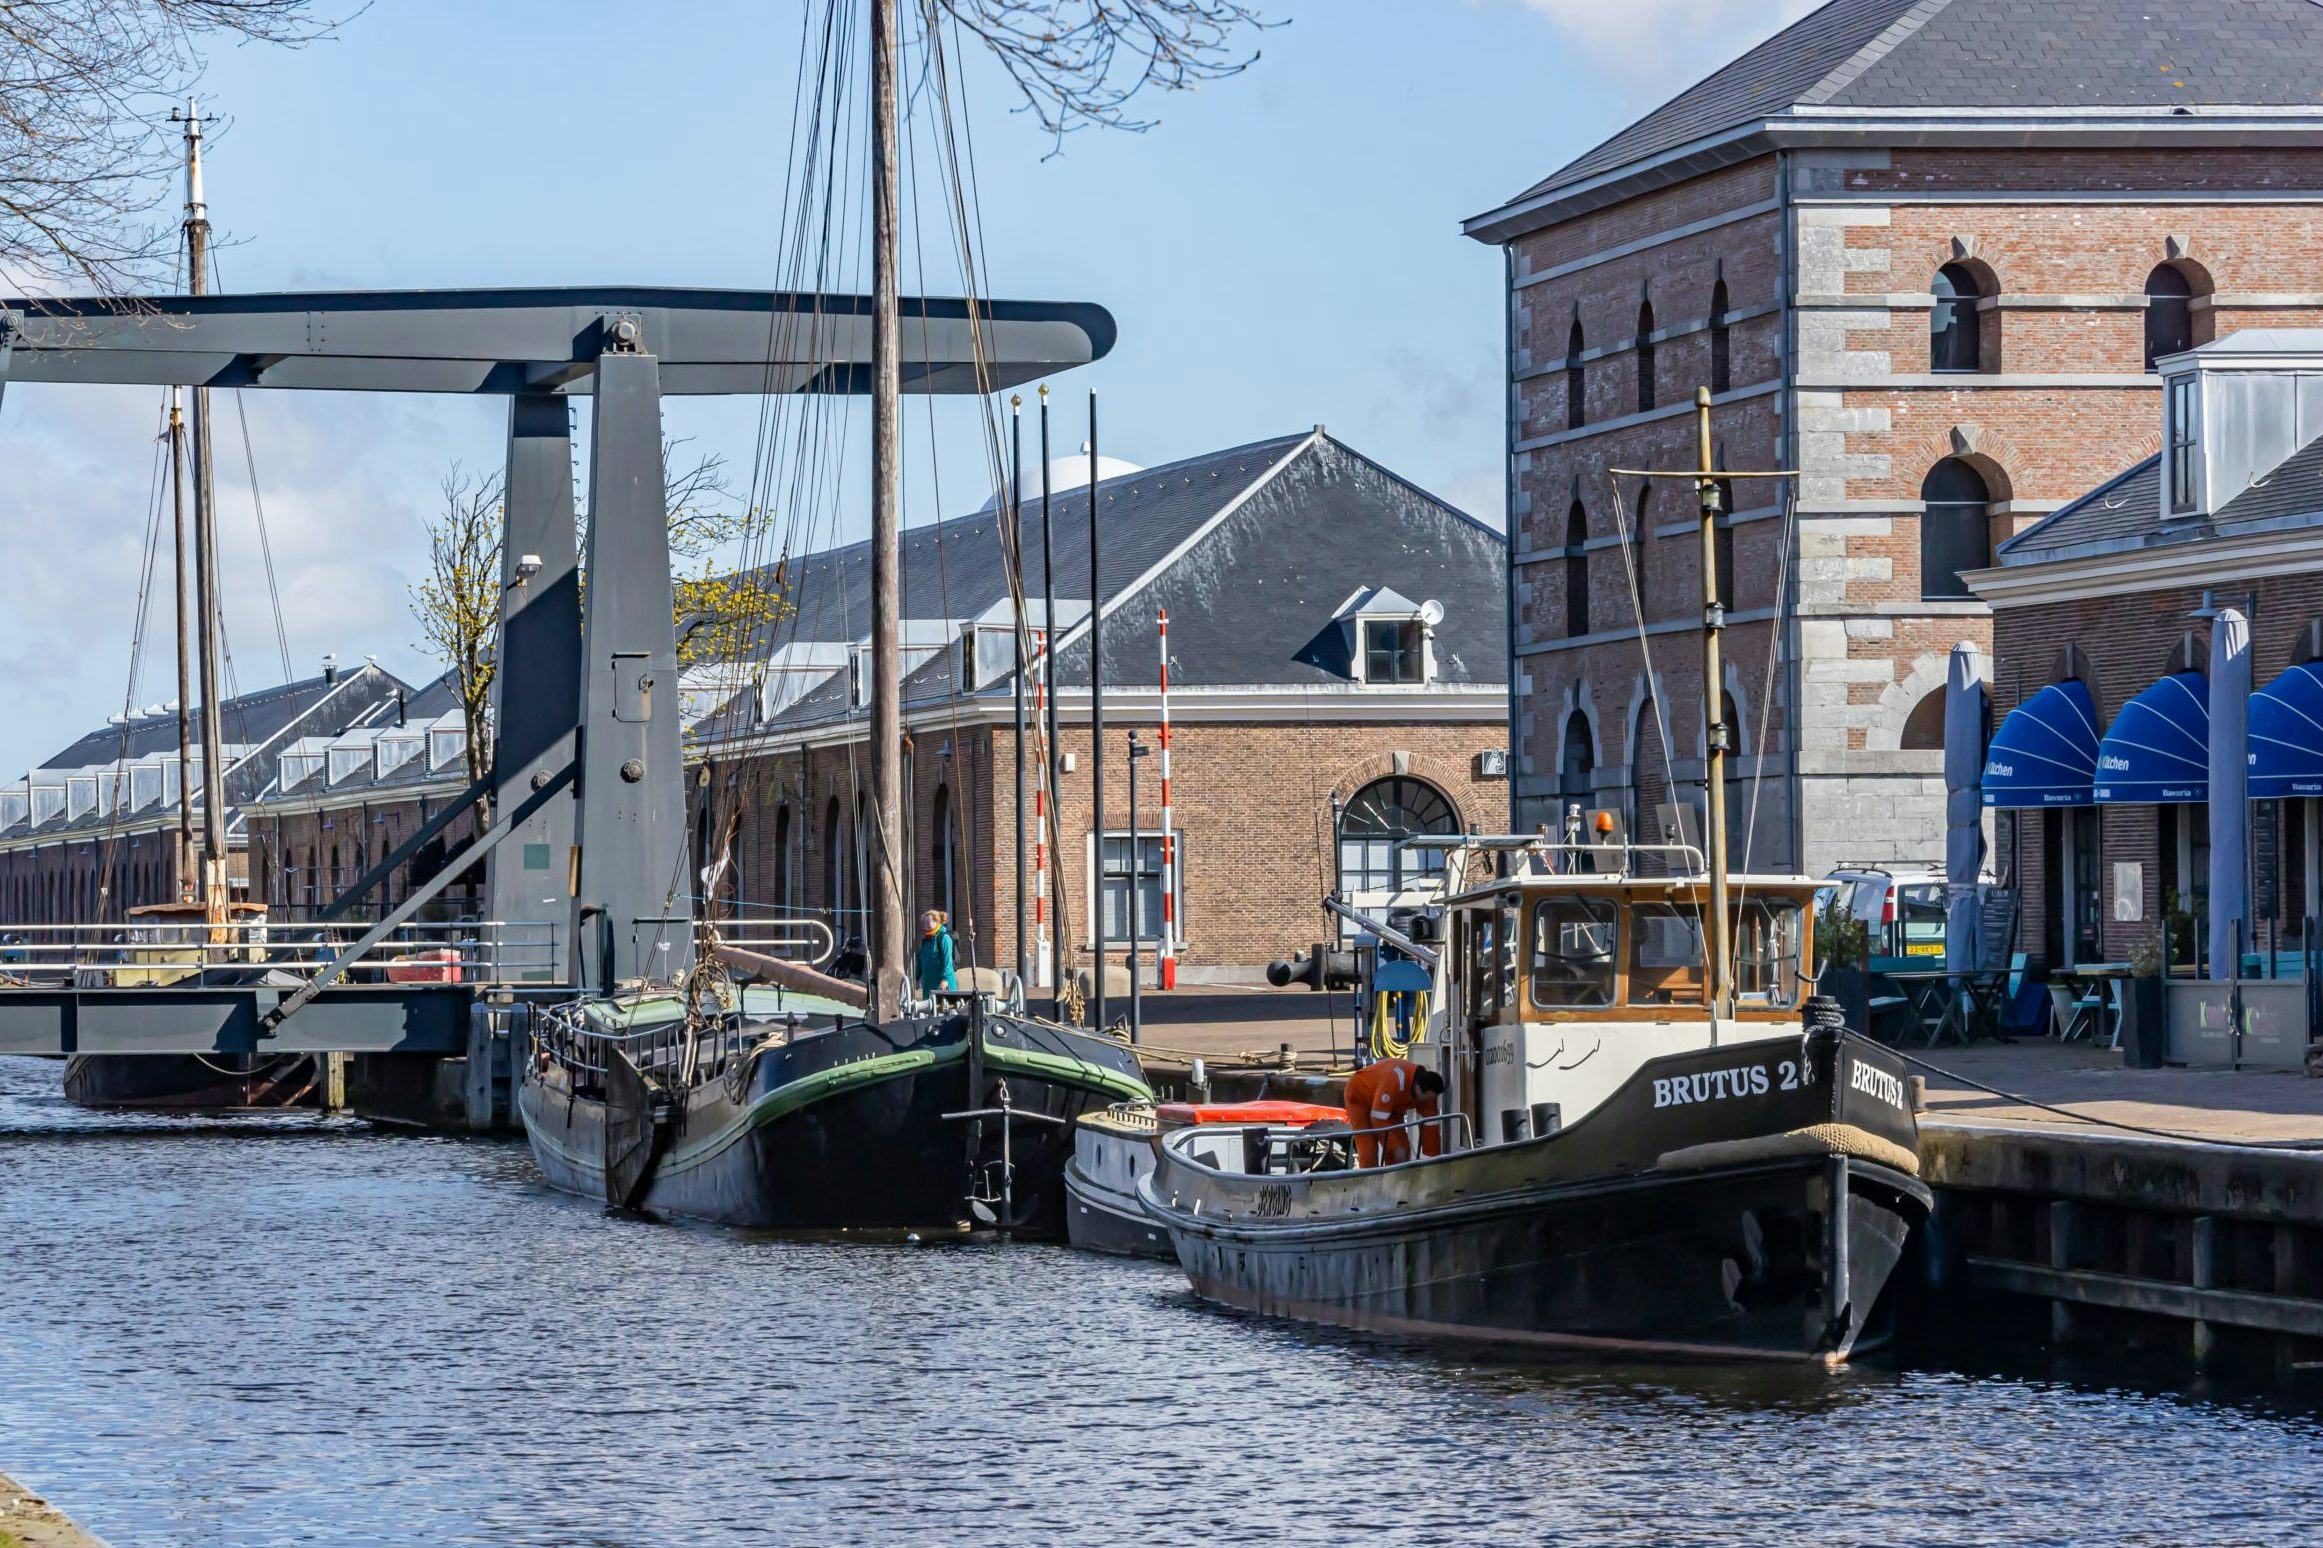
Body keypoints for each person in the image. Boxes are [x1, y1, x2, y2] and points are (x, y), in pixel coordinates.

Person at [1340, 1057, 1446, 1167]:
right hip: (1359, 1096)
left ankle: (1397, 1176)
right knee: (1368, 1148)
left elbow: (1431, 1124)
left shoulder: (1428, 1092)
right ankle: (1369, 1176)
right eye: (1427, 1097)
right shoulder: (1393, 1080)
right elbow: (1378, 1119)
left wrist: (1434, 1160)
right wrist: (1394, 1147)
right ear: (1418, 1088)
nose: (1429, 1101)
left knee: (1403, 1148)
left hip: (1391, 1105)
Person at [914, 909, 958, 997]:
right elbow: (921, 960)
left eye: (927, 922)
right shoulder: (926, 941)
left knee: (942, 1005)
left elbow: (947, 960)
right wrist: (917, 978)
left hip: (942, 985)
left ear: (936, 922)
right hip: (929, 985)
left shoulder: (944, 938)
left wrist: (945, 979)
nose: (925, 924)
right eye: (924, 922)